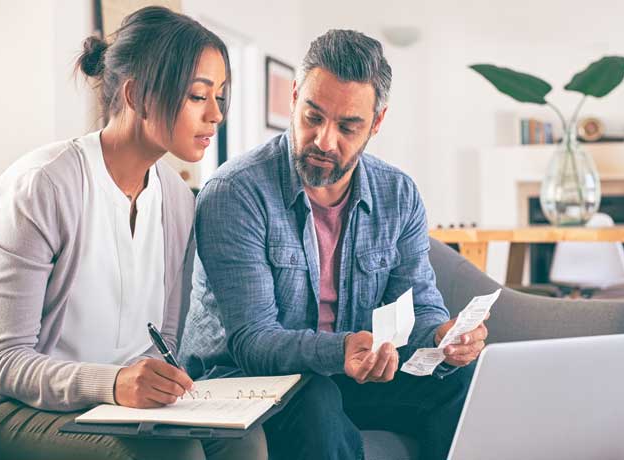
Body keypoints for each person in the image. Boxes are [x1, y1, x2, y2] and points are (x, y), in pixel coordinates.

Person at [0, 6, 266, 460]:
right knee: (174, 456)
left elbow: (163, 342)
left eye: (221, 97)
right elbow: (3, 362)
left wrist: (160, 385)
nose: (216, 115)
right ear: (136, 95)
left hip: (111, 406)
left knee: (245, 442)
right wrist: (113, 384)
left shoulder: (178, 201)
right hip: (6, 408)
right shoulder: (43, 185)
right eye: (198, 96)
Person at [178, 29, 488, 460]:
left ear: (376, 124)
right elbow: (253, 341)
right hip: (243, 381)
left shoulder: (398, 194)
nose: (325, 140)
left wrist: (443, 335)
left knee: (461, 381)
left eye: (347, 126)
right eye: (313, 117)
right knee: (318, 397)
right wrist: (341, 350)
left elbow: (418, 303)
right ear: (293, 98)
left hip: (347, 371)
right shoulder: (236, 192)